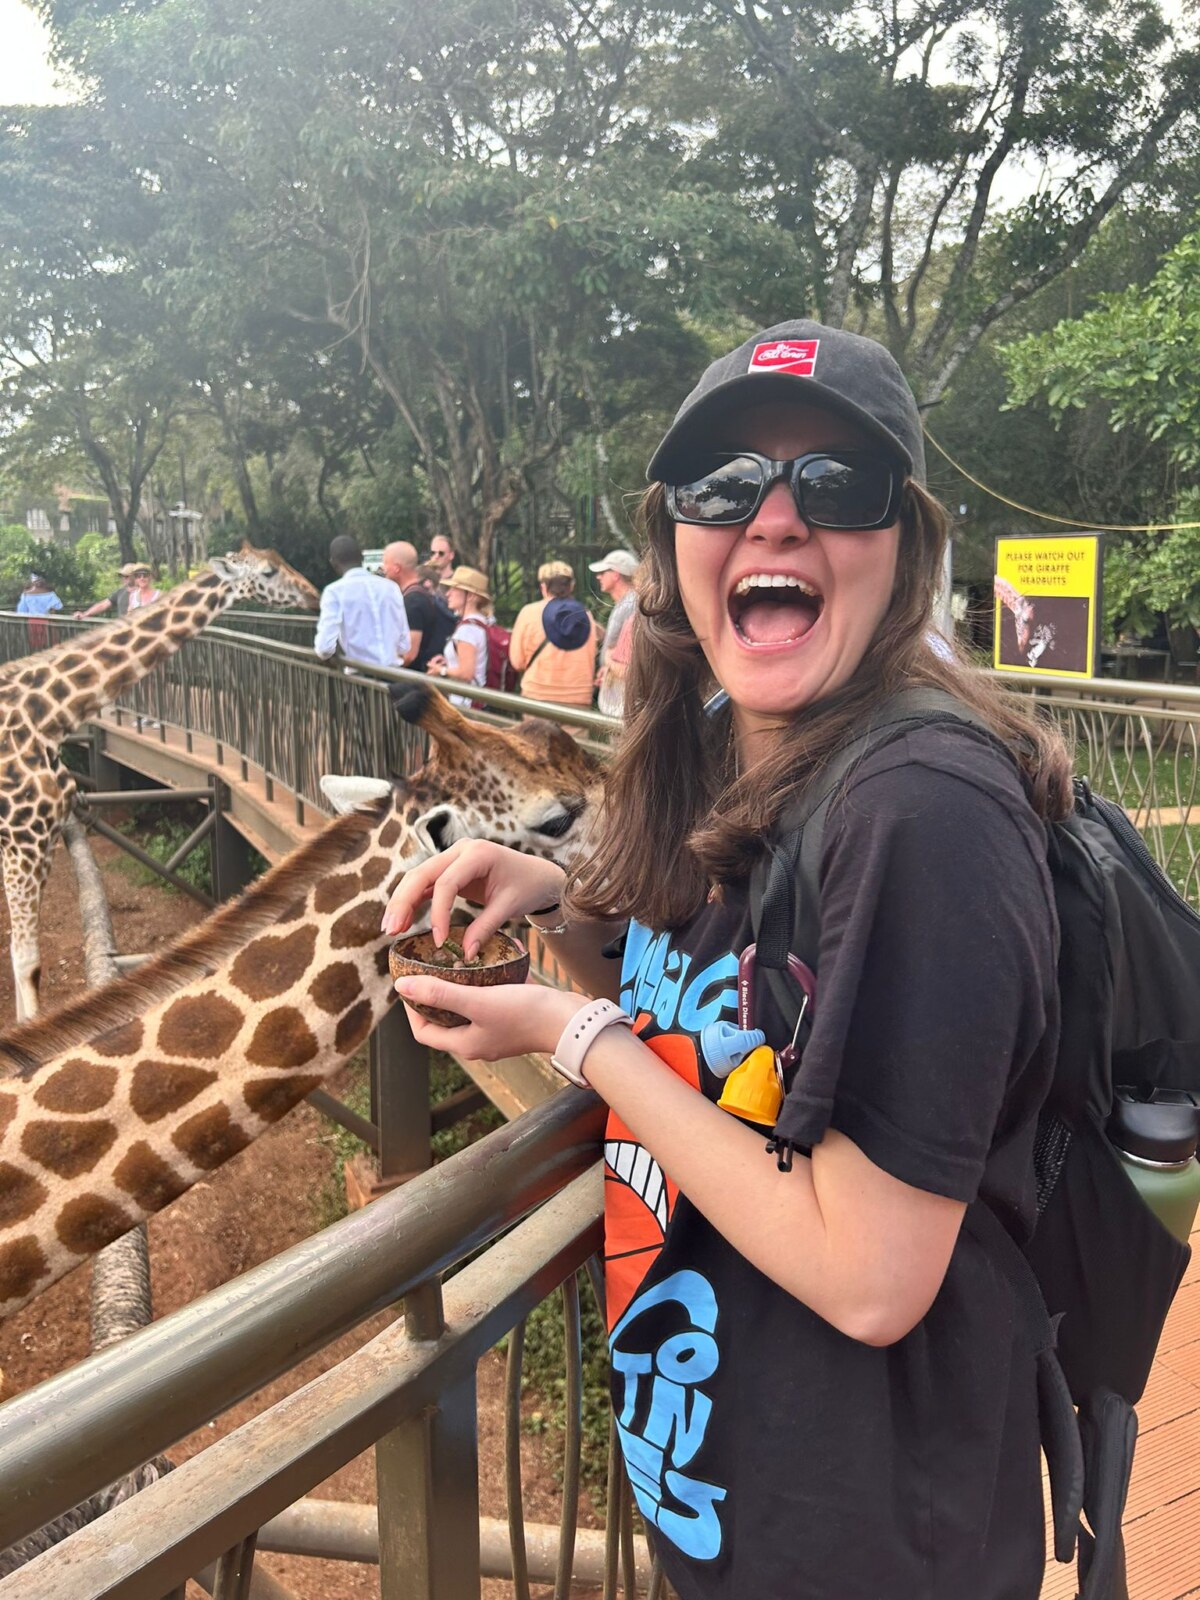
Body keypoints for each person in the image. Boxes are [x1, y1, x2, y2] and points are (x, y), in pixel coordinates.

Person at [383, 318, 1072, 1600]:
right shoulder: (734, 740)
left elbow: (869, 1277)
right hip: (734, 1492)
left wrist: (574, 1039)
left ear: (908, 548)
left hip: (869, 1540)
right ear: (673, 540)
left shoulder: (922, 812)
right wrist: (561, 904)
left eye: (837, 483)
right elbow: (723, 1028)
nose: (776, 517)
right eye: (724, 484)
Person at [507, 560, 598, 707]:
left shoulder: (528, 613)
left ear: (543, 586)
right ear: (571, 586)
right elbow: (593, 655)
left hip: (537, 697)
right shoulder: (585, 616)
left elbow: (517, 662)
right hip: (577, 700)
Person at [314, 535, 411, 669]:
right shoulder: (391, 587)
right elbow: (404, 646)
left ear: (333, 563)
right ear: (362, 557)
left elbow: (325, 648)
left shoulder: (334, 592)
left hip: (360, 676)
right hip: (393, 674)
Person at [380, 539, 454, 671]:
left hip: (416, 677)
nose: (382, 568)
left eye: (385, 563)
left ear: (397, 568)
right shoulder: (419, 594)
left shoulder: (413, 601)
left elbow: (409, 655)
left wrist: (381, 669)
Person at [426, 565, 490, 706]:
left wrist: (440, 670)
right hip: (474, 701)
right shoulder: (481, 621)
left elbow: (466, 673)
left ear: (470, 596)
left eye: (454, 589)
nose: (448, 594)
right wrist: (449, 660)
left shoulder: (467, 629)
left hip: (465, 703)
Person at [590, 549, 639, 716]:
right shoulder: (624, 603)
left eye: (603, 572)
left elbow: (622, 651)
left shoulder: (630, 604)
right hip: (618, 690)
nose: (598, 577)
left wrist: (609, 661)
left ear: (616, 574)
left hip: (625, 696)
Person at [74, 562, 140, 620]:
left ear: (135, 576)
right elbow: (103, 605)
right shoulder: (120, 592)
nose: (123, 578)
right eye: (122, 576)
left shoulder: (143, 592)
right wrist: (85, 614)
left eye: (127, 576)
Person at [16, 573, 64, 651]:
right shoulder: (50, 594)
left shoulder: (26, 594)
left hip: (32, 622)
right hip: (48, 621)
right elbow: (58, 606)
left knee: (35, 644)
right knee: (50, 643)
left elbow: (21, 611)